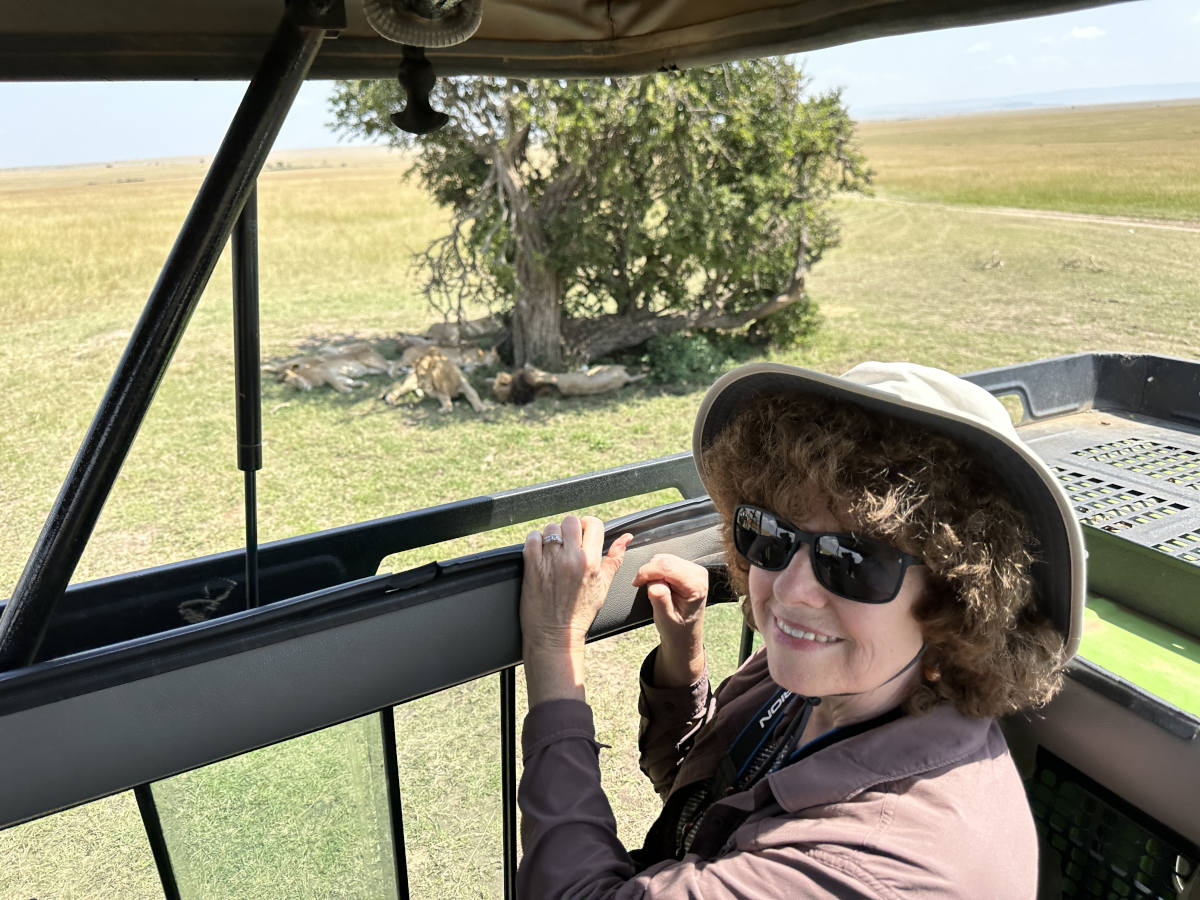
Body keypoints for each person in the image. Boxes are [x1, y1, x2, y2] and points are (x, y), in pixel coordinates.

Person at [516, 361, 1085, 898]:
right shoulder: (837, 677)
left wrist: (553, 646)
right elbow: (711, 803)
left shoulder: (866, 865)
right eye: (771, 533)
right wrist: (682, 654)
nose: (790, 589)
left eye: (854, 561)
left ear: (955, 601)